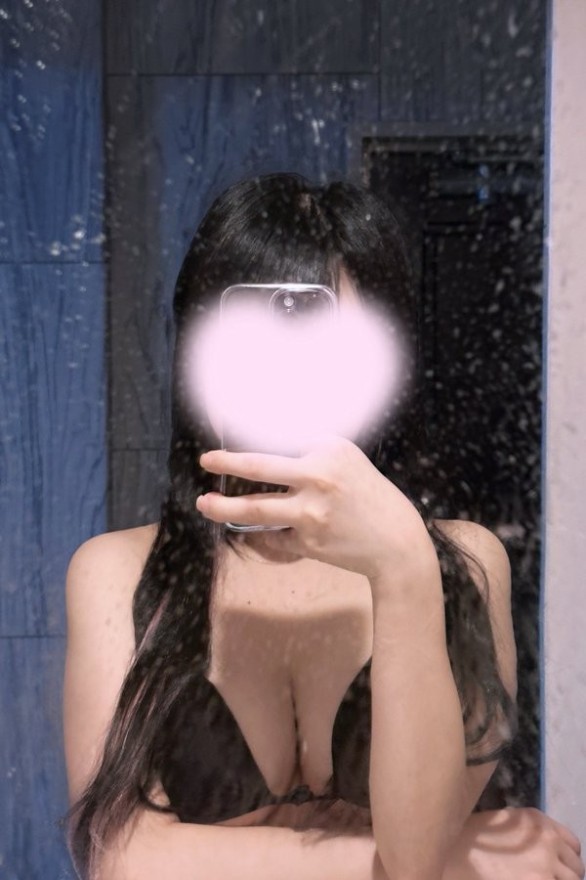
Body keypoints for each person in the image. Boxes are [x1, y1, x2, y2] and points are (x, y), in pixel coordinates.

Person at [62, 172, 584, 880]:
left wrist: (401, 565)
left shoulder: (460, 563)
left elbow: (413, 851)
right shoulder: (116, 574)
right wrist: (468, 857)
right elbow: (120, 861)